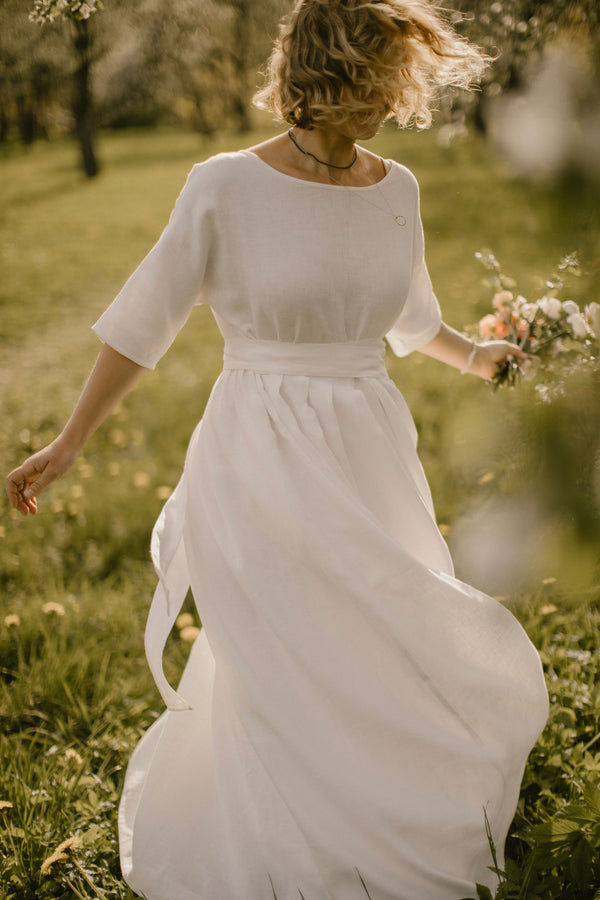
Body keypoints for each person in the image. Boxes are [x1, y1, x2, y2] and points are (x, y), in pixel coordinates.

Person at [6, 1, 549, 897]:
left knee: (385, 626)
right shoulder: (225, 185)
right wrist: (70, 442)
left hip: (370, 442)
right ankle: (291, 831)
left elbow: (413, 321)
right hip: (261, 446)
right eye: (373, 81)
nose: (388, 101)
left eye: (396, 83)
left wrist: (477, 355)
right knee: (289, 643)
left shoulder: (398, 188)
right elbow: (148, 317)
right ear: (324, 74)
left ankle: (397, 799)